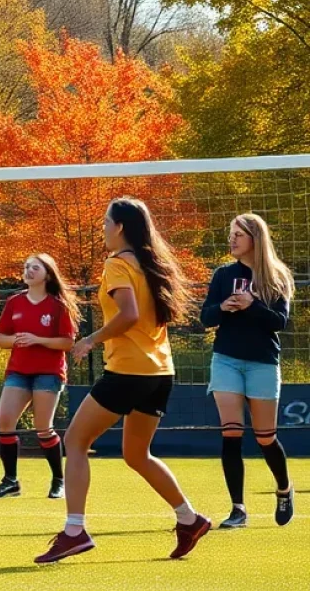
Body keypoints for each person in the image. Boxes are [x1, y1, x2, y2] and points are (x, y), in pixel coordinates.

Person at [35, 197, 210, 564]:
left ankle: (74, 531)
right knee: (136, 453)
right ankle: (189, 519)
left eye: (105, 223)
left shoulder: (116, 265)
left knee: (76, 439)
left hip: (129, 371)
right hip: (161, 372)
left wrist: (90, 340)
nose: (102, 228)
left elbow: (128, 315)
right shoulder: (152, 264)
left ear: (120, 228)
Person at [201, 213, 295, 529]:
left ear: (255, 238)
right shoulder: (224, 275)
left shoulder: (277, 276)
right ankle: (238, 509)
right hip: (226, 358)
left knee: (266, 437)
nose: (232, 239)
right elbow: (205, 317)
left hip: (262, 362)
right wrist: (224, 308)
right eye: (231, 234)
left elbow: (278, 322)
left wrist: (251, 305)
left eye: (238, 234)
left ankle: (283, 488)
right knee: (231, 432)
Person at [0, 254, 78, 500]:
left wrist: (38, 340)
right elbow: (1, 339)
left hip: (48, 373)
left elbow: (68, 342)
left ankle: (59, 481)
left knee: (43, 428)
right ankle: (10, 481)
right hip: (18, 371)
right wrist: (17, 339)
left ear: (47, 274)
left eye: (34, 267)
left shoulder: (58, 306)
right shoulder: (14, 302)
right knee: (5, 421)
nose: (28, 271)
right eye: (26, 267)